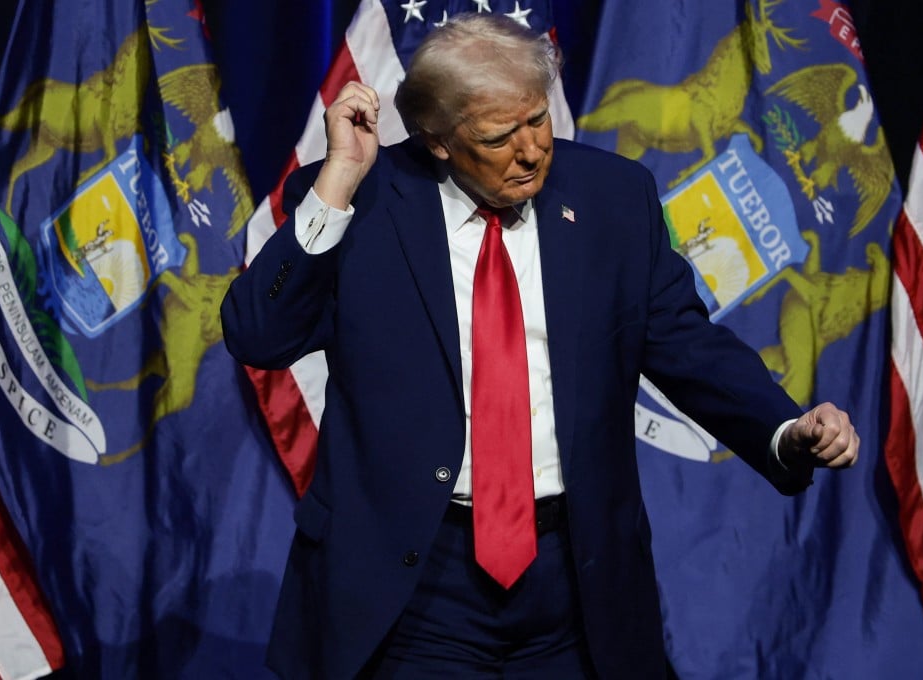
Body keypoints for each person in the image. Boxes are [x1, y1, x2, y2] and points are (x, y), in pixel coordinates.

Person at [221, 13, 859, 680]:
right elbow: (259, 336)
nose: (531, 152)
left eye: (537, 121)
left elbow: (682, 342)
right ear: (437, 139)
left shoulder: (612, 197)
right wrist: (336, 188)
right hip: (414, 582)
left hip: (573, 580)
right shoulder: (364, 201)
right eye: (499, 137)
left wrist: (783, 427)